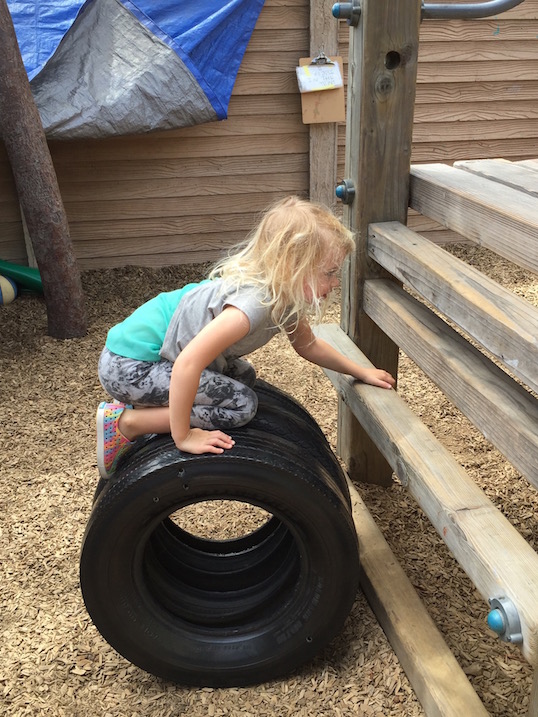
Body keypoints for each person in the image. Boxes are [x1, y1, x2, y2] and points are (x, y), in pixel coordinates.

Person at [96, 196, 395, 479]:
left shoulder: (282, 295)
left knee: (244, 376)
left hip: (152, 359)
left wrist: (360, 371)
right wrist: (183, 436)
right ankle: (128, 423)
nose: (335, 282)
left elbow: (309, 345)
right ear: (293, 266)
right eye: (329, 272)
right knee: (242, 406)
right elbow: (188, 363)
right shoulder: (250, 306)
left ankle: (148, 408)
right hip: (131, 366)